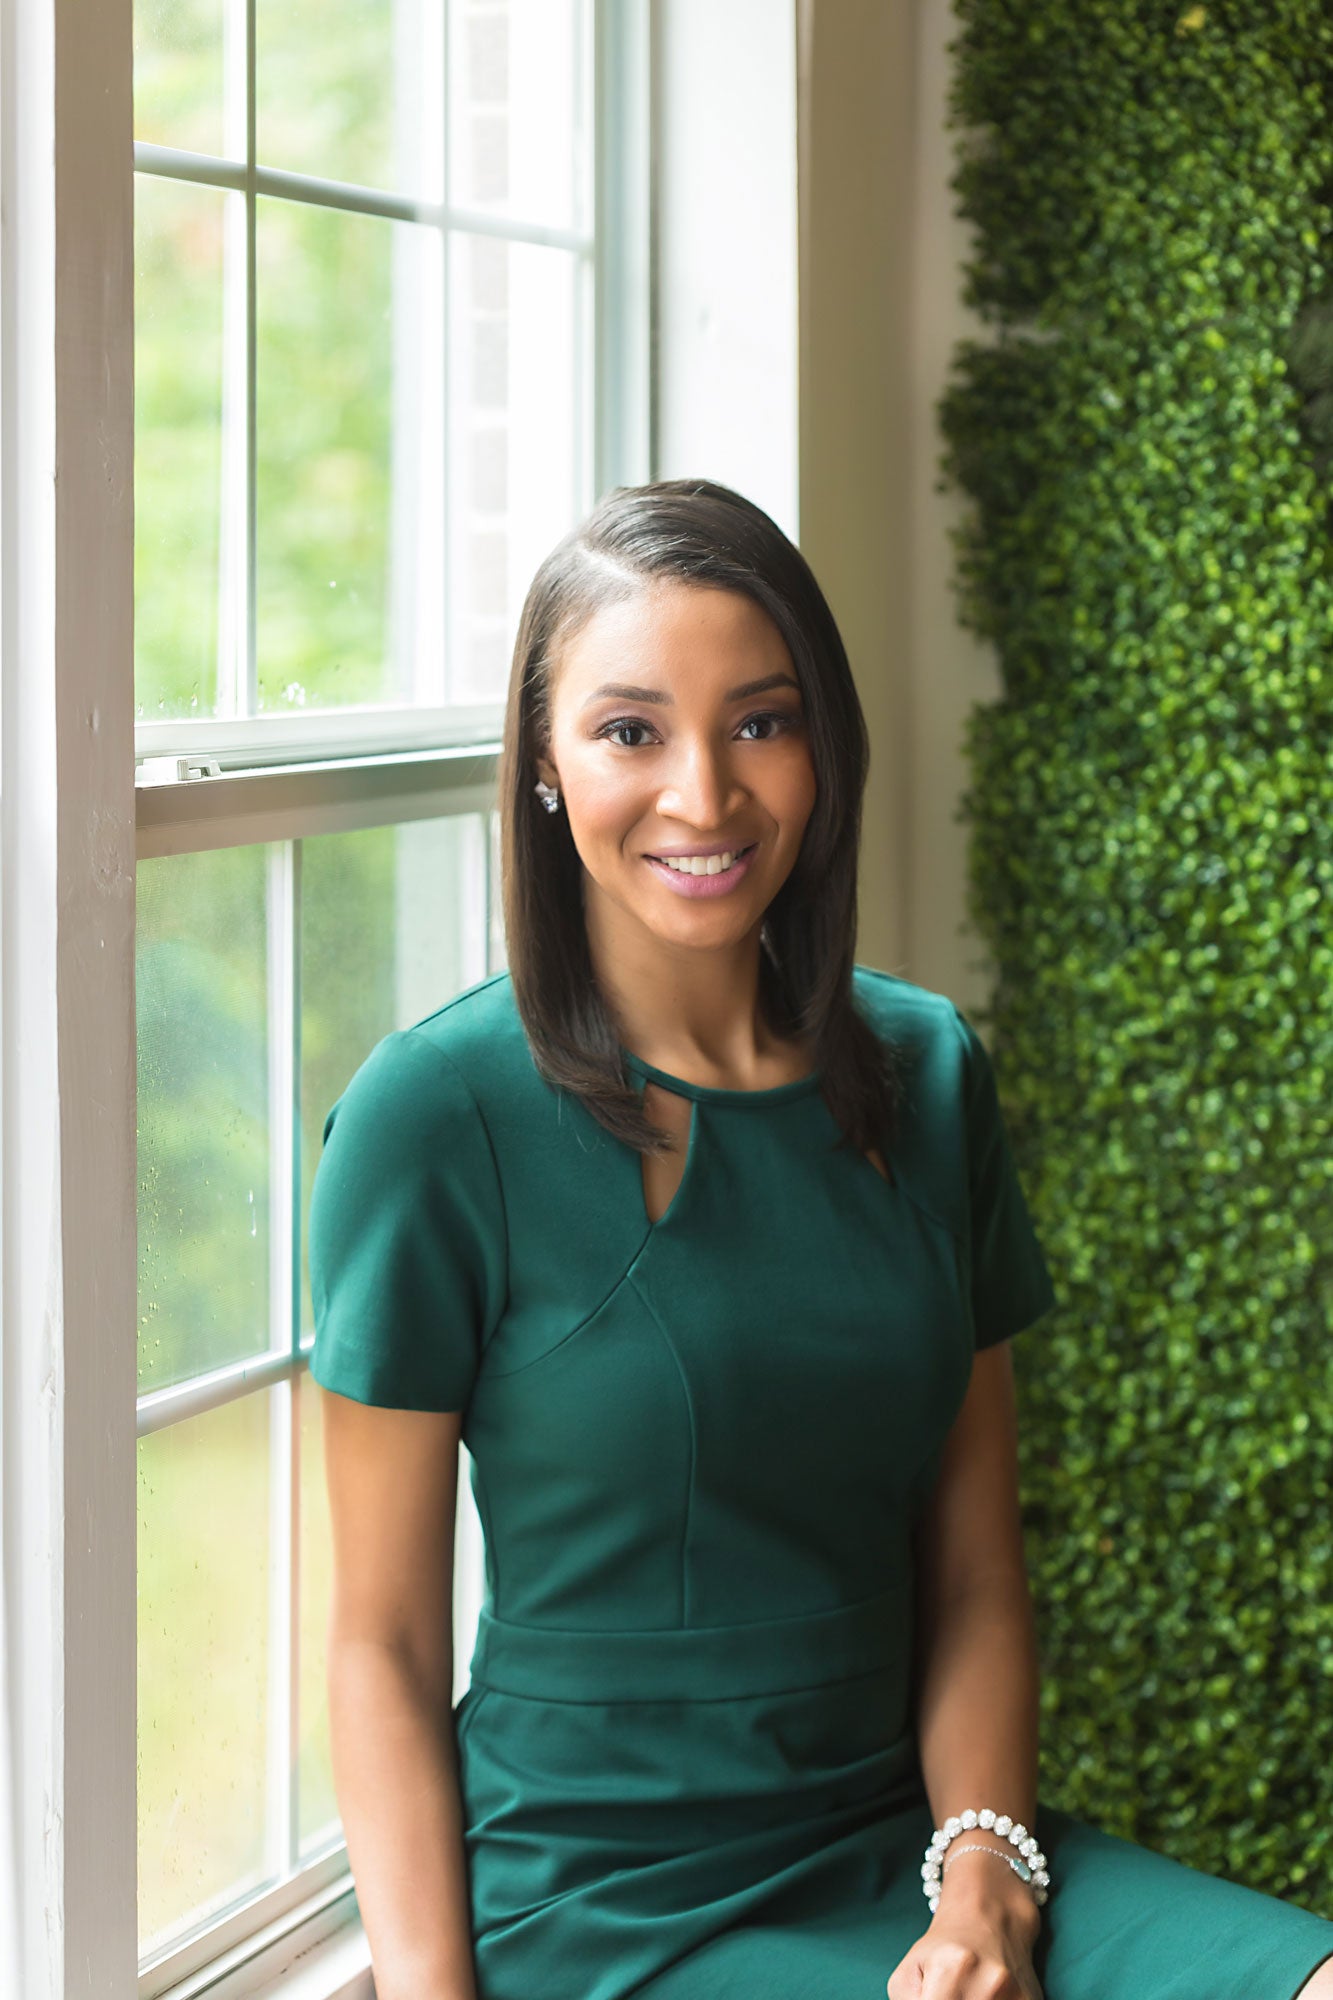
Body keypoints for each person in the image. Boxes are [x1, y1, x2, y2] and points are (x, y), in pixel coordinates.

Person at [307, 478, 1333, 2000]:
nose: (705, 796)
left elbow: (976, 1568)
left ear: (822, 744)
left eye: (760, 722)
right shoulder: (432, 1116)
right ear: (540, 761)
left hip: (914, 1843)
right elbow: (378, 1645)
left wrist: (981, 1886)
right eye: (629, 729)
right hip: (606, 1904)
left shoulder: (925, 1075)